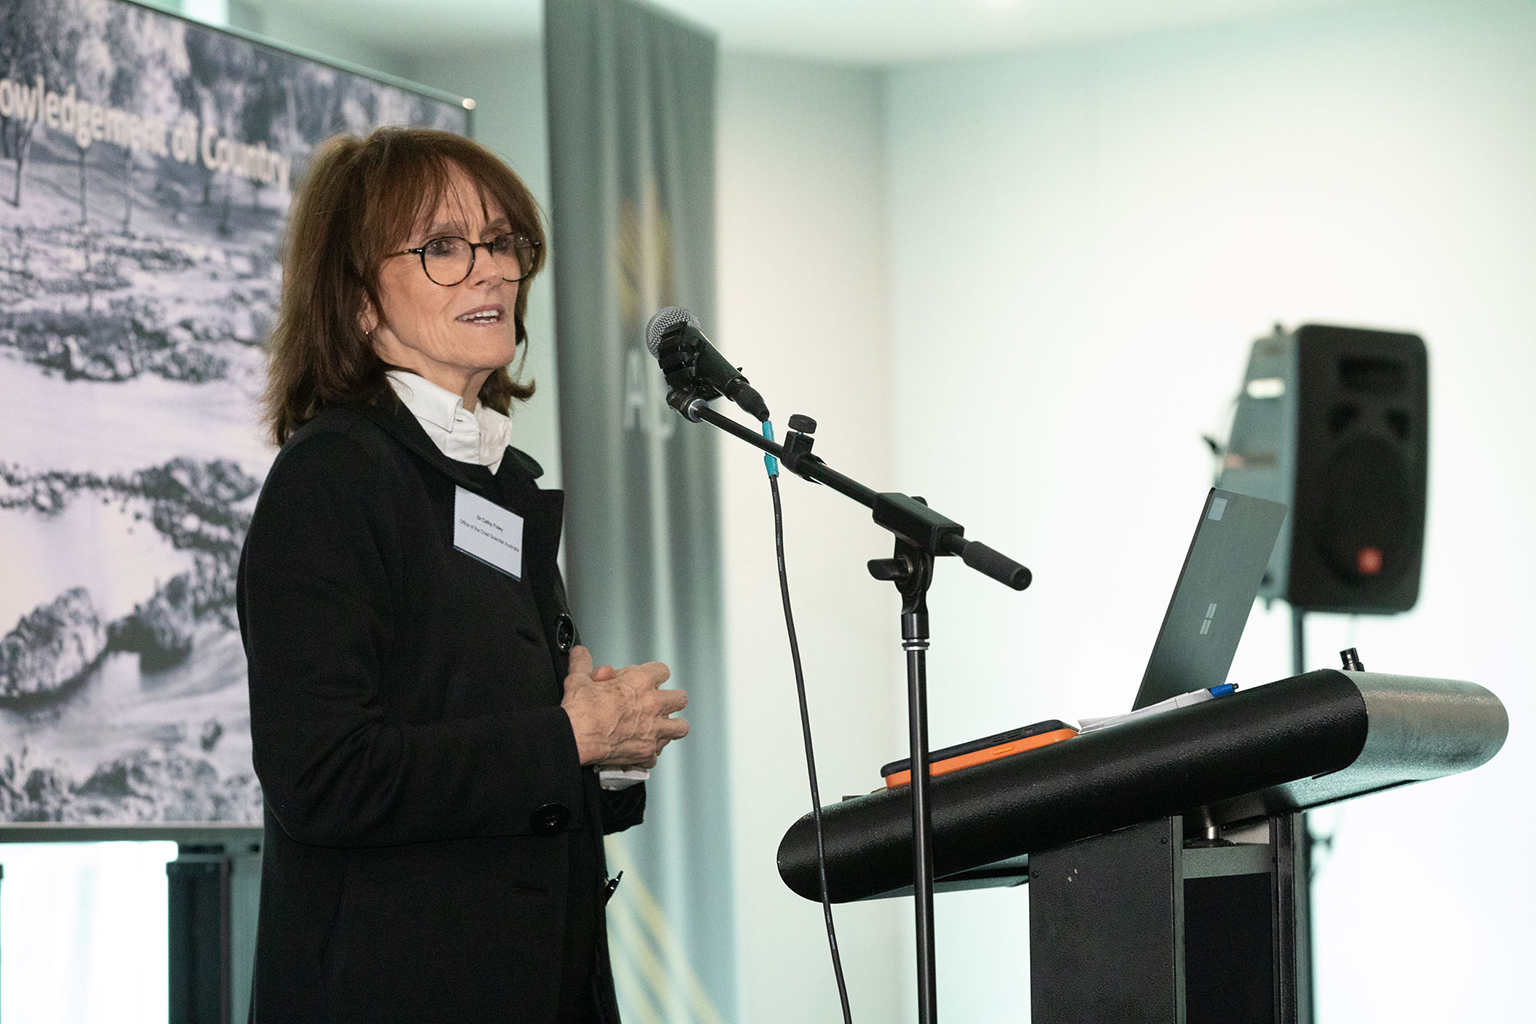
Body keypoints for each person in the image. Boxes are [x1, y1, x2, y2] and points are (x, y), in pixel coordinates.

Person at [236, 126, 688, 1023]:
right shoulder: (331, 479)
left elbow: (495, 750)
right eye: (443, 247)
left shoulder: (498, 482)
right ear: (359, 302)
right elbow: (322, 777)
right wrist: (568, 740)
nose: (490, 270)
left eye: (502, 242)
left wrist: (602, 758)